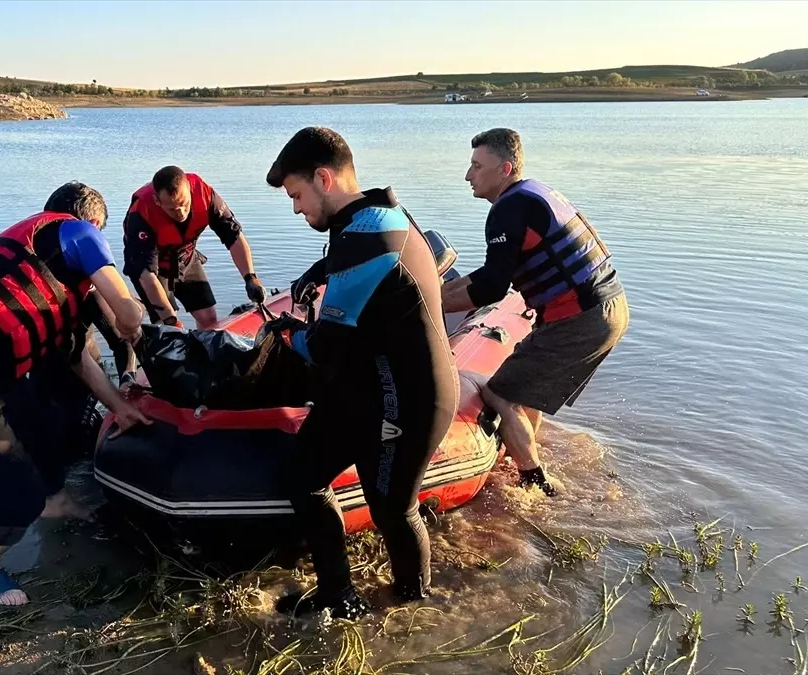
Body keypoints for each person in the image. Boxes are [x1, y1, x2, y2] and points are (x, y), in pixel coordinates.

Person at [0, 181, 150, 607]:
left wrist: (121, 408)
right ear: (92, 224)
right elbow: (126, 310)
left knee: (44, 422)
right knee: (16, 497)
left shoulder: (46, 275)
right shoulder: (78, 231)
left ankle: (57, 501)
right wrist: (134, 318)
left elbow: (80, 361)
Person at [261, 127, 459, 618]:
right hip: (367, 385)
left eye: (298, 195)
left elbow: (326, 346)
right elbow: (351, 261)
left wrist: (284, 335)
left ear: (324, 179)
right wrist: (318, 273)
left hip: (412, 397)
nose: (295, 208)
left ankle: (414, 607)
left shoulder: (370, 232)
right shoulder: (373, 212)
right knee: (301, 477)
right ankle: (338, 596)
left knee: (391, 507)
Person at [440, 128, 630, 497]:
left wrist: (433, 304)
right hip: (609, 307)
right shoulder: (532, 194)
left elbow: (493, 289)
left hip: (582, 318)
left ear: (504, 168)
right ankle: (526, 455)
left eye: (476, 166)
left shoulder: (508, 208)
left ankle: (534, 484)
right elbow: (492, 274)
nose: (468, 175)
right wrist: (439, 292)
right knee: (522, 389)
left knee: (499, 393)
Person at [123, 165, 265, 330]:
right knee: (170, 329)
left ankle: (204, 353)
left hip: (185, 257)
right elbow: (146, 276)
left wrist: (250, 278)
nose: (181, 212)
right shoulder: (141, 213)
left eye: (184, 203)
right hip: (151, 271)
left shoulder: (204, 193)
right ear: (157, 201)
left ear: (189, 190)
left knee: (209, 318)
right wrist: (170, 320)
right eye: (172, 209)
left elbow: (234, 236)